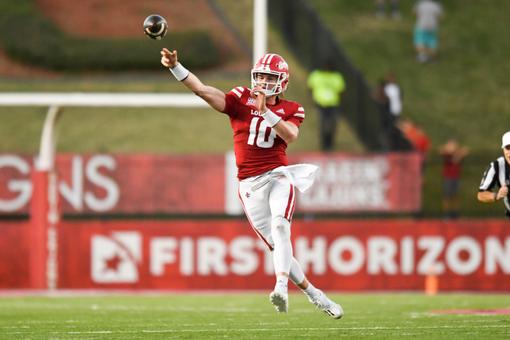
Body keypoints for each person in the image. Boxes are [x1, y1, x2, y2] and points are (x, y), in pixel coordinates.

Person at [160, 48, 343, 319]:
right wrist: (176, 67)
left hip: (278, 175)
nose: (263, 84)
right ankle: (314, 294)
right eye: (260, 77)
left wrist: (267, 111)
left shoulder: (292, 108)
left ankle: (280, 286)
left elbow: (290, 135)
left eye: (270, 79)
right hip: (249, 185)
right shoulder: (240, 98)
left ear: (282, 82)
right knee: (275, 245)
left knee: (281, 226)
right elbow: (202, 90)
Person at [307, 61, 346, 151]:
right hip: (320, 103)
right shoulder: (316, 75)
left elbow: (342, 91)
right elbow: (310, 88)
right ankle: (324, 145)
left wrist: (342, 104)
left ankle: (330, 143)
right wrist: (312, 100)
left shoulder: (336, 77)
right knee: (323, 125)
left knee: (332, 125)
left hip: (333, 104)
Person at [477, 131, 510, 217]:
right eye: (508, 148)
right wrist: (497, 195)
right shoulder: (497, 166)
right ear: (503, 149)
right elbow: (481, 194)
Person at [439, 139, 469, 219]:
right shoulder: (446, 154)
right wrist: (457, 155)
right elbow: (453, 160)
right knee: (447, 196)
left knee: (455, 196)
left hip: (456, 177)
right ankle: (447, 214)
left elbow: (466, 151)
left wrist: (457, 153)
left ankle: (455, 214)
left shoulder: (456, 153)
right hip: (448, 177)